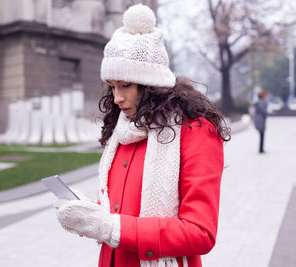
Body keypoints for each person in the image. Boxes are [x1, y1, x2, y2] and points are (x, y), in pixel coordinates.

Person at [54, 4, 230, 267]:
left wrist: (112, 228)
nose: (117, 98)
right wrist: (88, 212)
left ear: (151, 85)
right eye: (112, 86)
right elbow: (118, 212)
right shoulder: (121, 130)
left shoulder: (195, 130)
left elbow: (200, 233)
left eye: (125, 85)